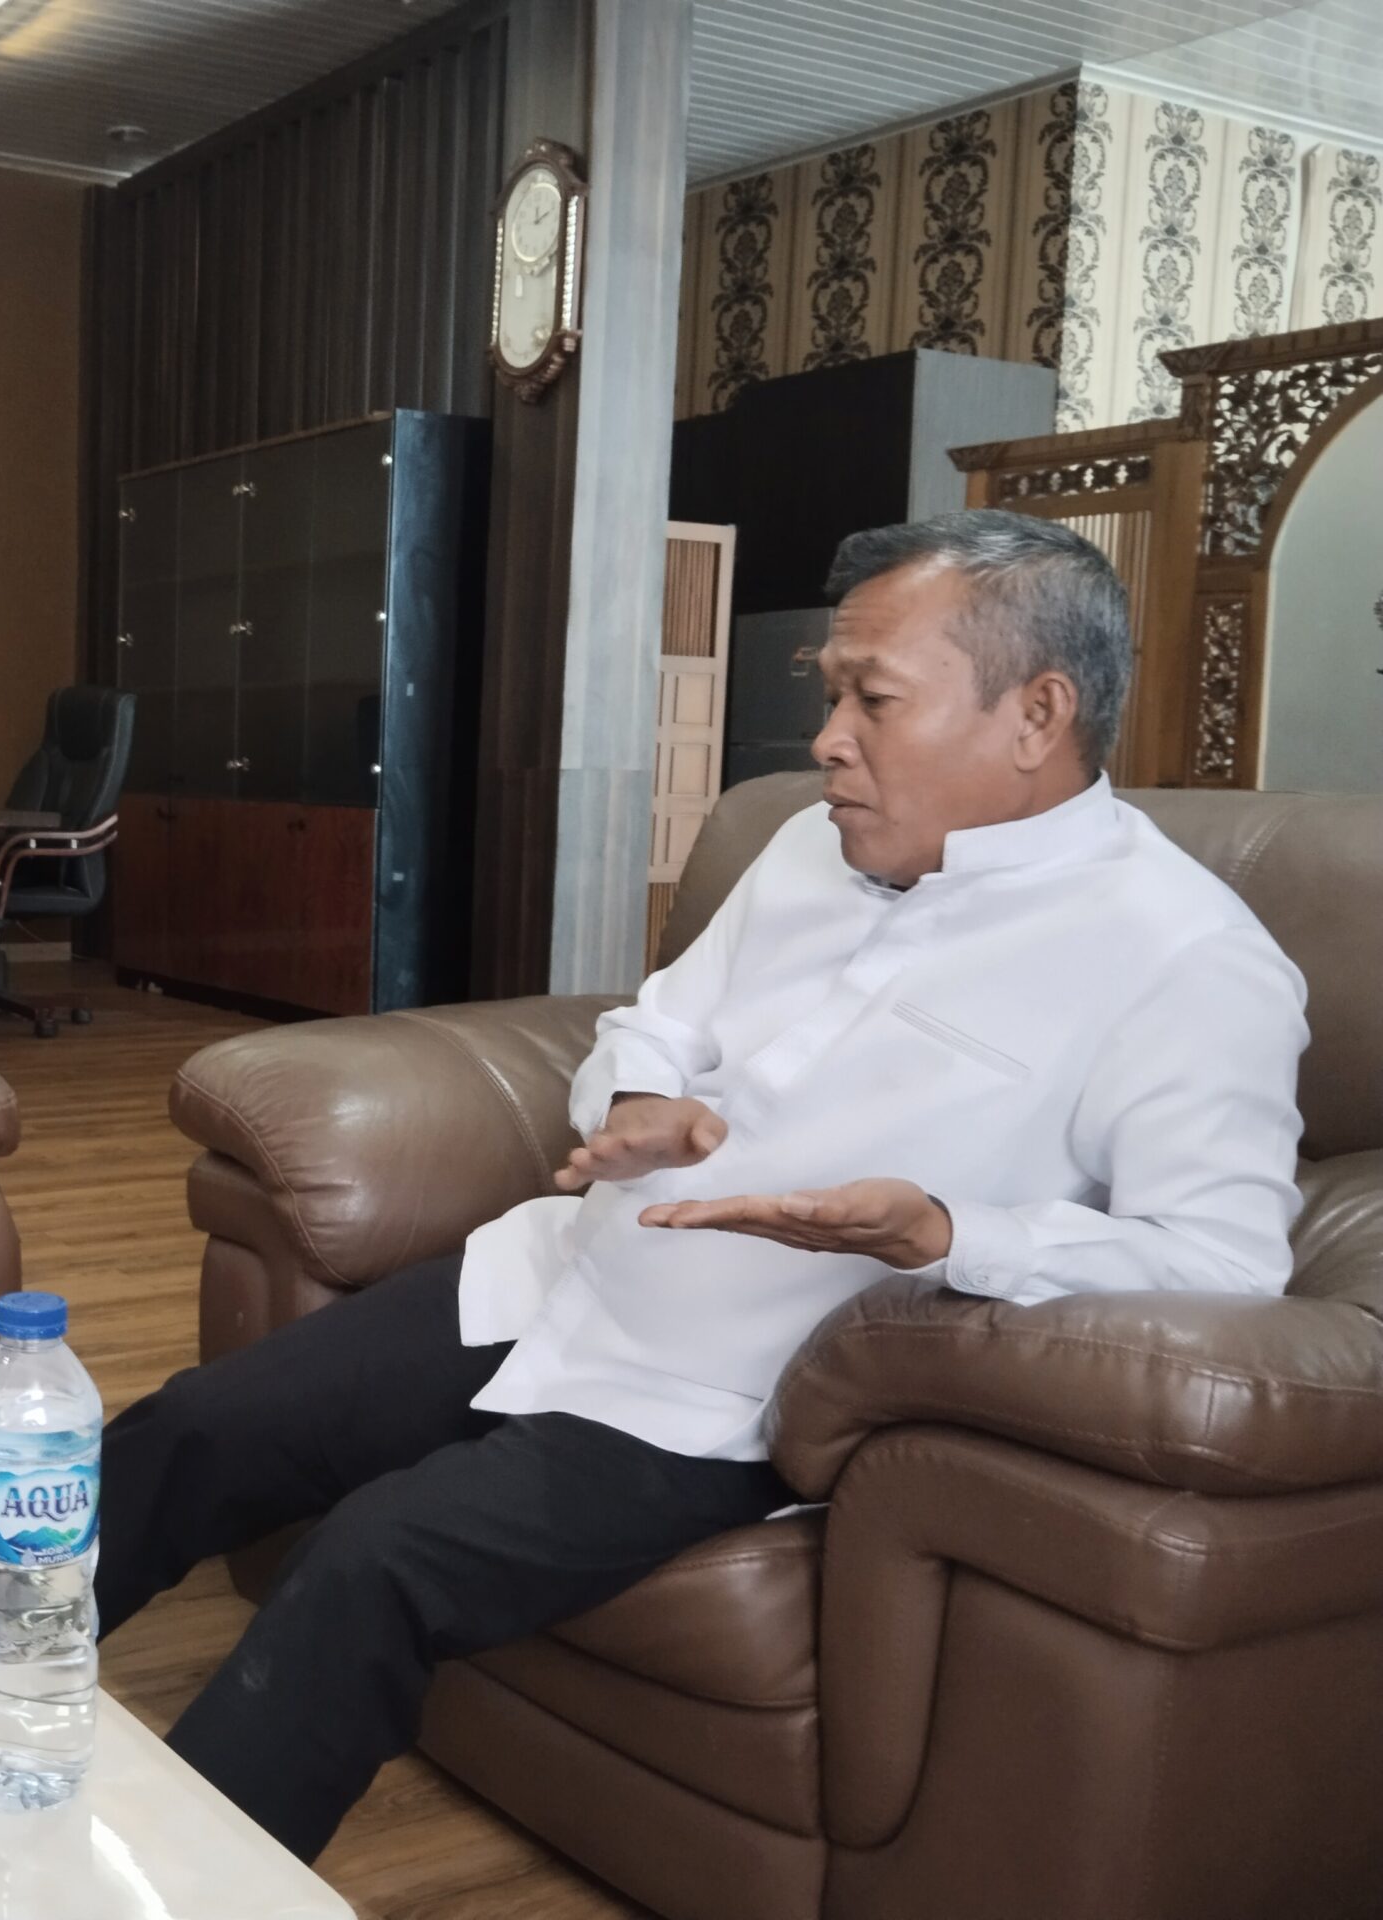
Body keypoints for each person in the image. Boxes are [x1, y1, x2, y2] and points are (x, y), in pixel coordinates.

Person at [98, 508, 1310, 1862]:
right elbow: (657, 1021)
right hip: (559, 1275)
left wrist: (949, 1231)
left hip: (722, 1397)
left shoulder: (1188, 962)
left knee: (374, 1561)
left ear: (1037, 714)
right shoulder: (807, 842)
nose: (828, 740)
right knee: (192, 1431)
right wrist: (634, 1102)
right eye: (829, 694)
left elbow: (1223, 1264)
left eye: (873, 700)